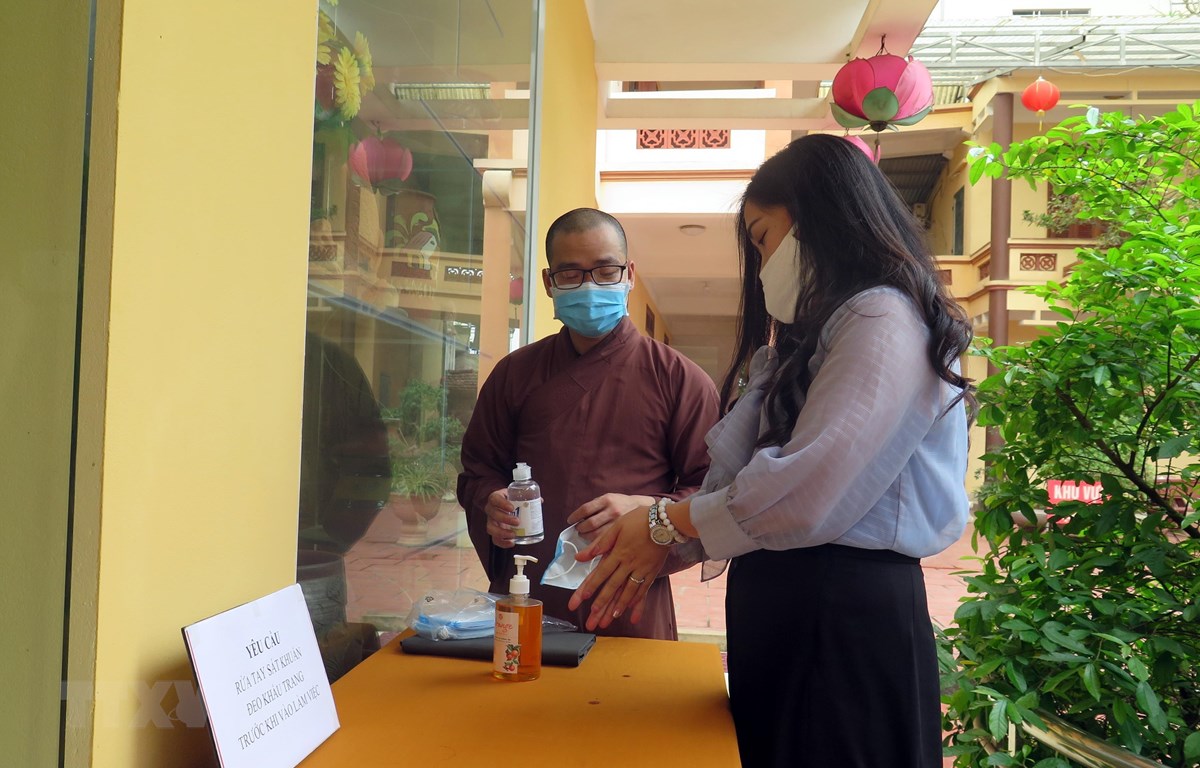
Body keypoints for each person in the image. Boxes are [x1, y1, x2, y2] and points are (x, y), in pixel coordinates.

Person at [567, 135, 975, 767]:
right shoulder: (812, 341)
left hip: (840, 616)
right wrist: (659, 526)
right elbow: (744, 484)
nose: (762, 267)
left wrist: (663, 520)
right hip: (792, 606)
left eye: (762, 240)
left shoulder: (881, 318)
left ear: (817, 218)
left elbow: (802, 492)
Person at [457, 207, 721, 640]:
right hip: (527, 591)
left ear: (629, 274)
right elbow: (477, 472)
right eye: (571, 274)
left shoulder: (680, 380)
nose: (590, 286)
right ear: (549, 282)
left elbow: (714, 494)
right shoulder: (515, 374)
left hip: (628, 597)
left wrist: (650, 512)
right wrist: (491, 501)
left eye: (605, 270)